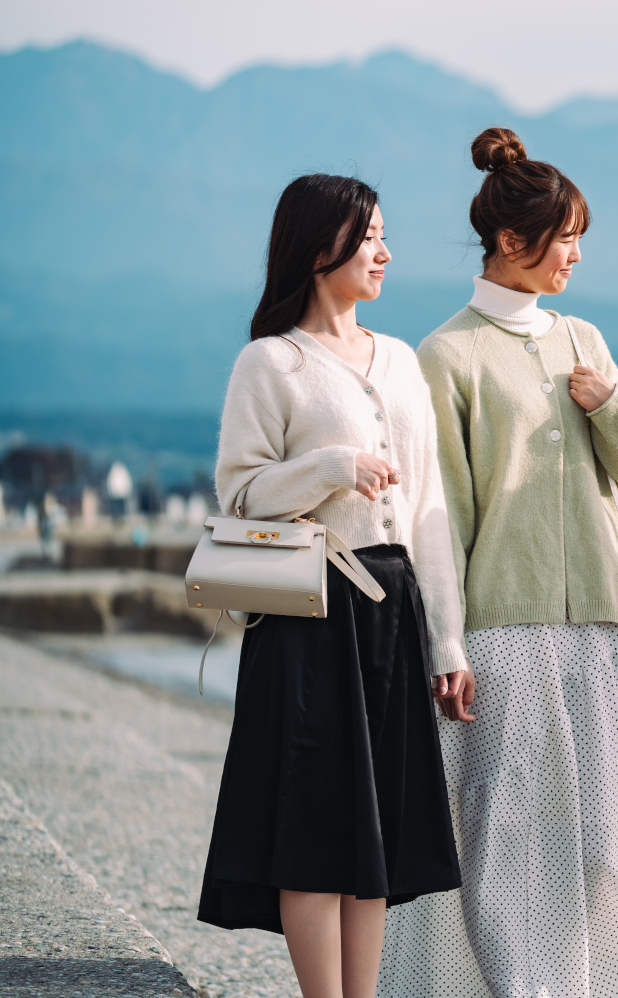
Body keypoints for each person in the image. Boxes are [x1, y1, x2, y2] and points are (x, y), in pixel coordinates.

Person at [378, 127, 618, 998]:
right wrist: (448, 644)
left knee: (605, 845)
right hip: (501, 636)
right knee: (505, 847)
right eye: (567, 237)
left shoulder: (585, 339)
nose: (576, 256)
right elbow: (440, 515)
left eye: (580, 237)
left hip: (597, 630)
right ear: (511, 243)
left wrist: (612, 402)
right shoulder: (447, 355)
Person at [198, 175, 465, 998]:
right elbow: (238, 495)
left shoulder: (403, 359)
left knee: (374, 827)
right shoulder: (270, 362)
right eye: (370, 236)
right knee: (312, 821)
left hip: (393, 607)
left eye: (386, 235)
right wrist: (330, 469)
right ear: (322, 250)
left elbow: (428, 511)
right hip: (306, 613)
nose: (385, 252)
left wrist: (448, 642)